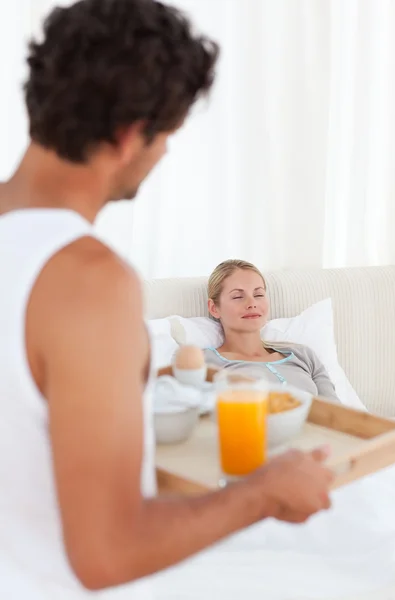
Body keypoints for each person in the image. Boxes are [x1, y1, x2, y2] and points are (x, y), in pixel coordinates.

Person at [0, 1, 333, 598]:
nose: (166, 153)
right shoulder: (88, 279)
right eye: (168, 135)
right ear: (131, 136)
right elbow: (107, 553)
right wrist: (264, 490)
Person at [206, 259, 340, 403]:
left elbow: (336, 413)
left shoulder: (303, 355)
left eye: (258, 295)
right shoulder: (206, 362)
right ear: (214, 308)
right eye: (238, 296)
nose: (252, 304)